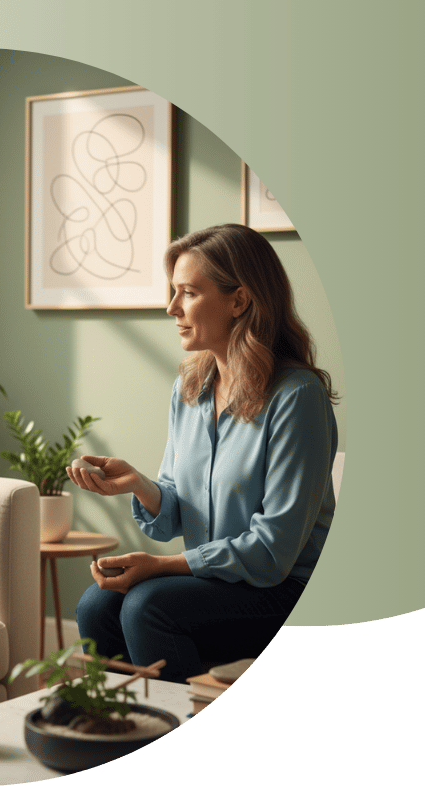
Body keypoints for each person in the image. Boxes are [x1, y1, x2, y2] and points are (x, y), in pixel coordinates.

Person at [67, 224, 338, 683]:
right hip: (216, 581)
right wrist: (138, 484)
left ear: (239, 301)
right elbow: (176, 511)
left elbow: (273, 551)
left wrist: (159, 566)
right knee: (95, 605)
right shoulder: (190, 388)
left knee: (147, 607)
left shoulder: (297, 397)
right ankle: (121, 732)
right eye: (174, 293)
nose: (172, 308)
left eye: (188, 293)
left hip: (286, 591)